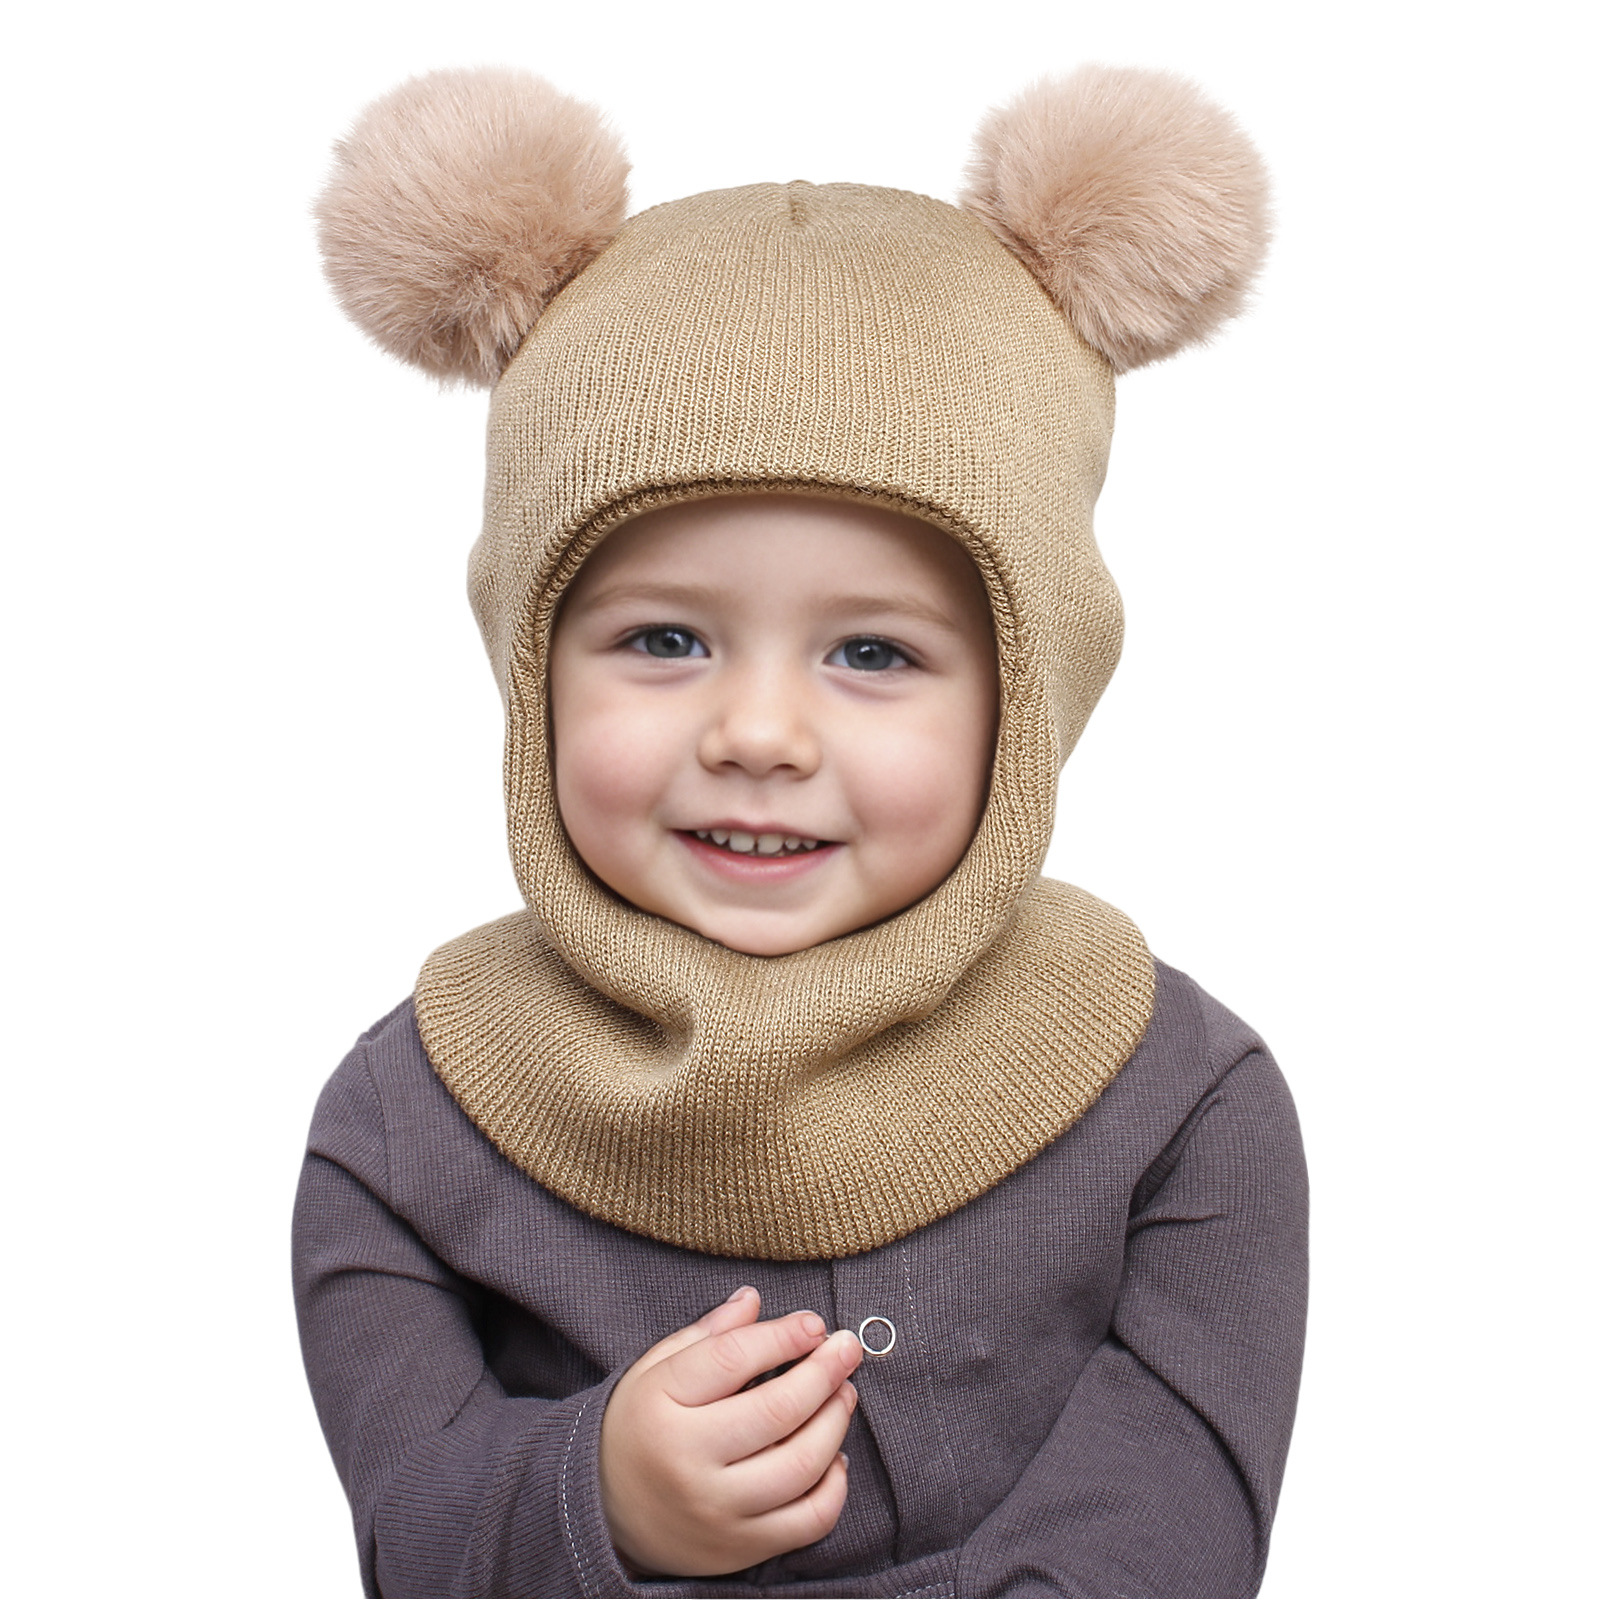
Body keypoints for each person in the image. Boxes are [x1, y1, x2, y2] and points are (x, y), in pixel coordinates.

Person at [294, 62, 1309, 1599]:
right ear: (531, 663)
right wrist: (593, 1494)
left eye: (875, 653)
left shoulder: (1177, 1101)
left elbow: (1173, 1524)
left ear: (1030, 692)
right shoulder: (407, 1122)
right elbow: (411, 1530)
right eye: (662, 640)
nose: (759, 734)